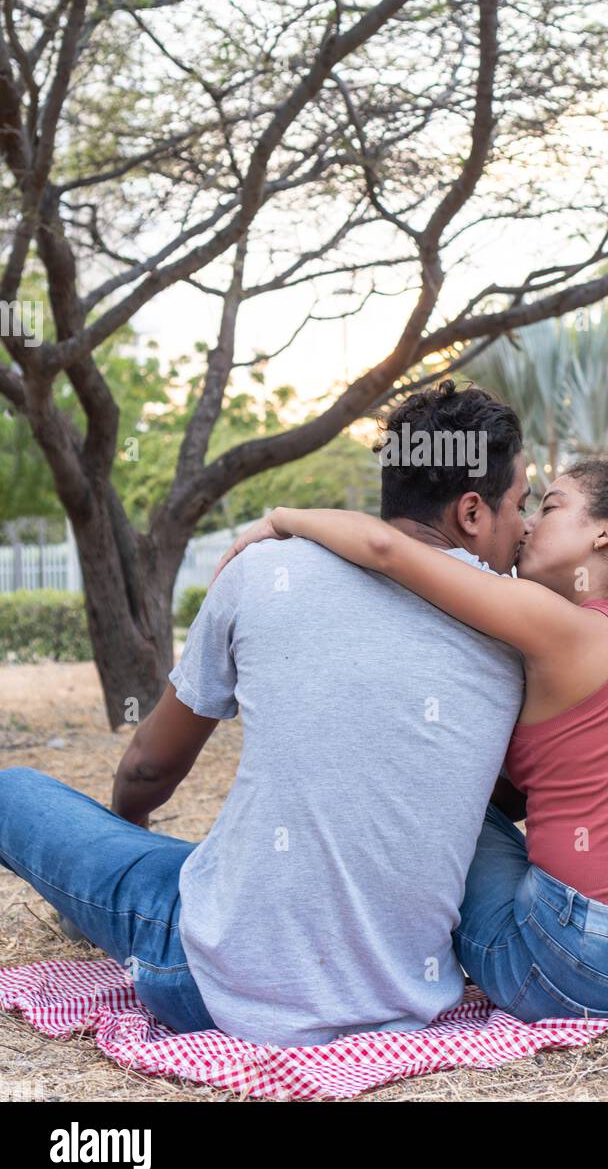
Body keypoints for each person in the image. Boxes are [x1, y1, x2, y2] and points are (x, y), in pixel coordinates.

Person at [0, 381, 530, 1045]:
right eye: (521, 505)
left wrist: (128, 823)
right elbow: (497, 797)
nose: (526, 528)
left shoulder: (263, 572)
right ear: (474, 513)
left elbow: (148, 767)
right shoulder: (525, 636)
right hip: (405, 998)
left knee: (12, 791)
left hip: (204, 981)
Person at [216, 457, 608, 1023]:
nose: (529, 524)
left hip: (586, 968)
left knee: (440, 802)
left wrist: (282, 519)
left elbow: (387, 551)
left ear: (607, 531)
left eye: (550, 507)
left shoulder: (561, 626)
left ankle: (362, 961)